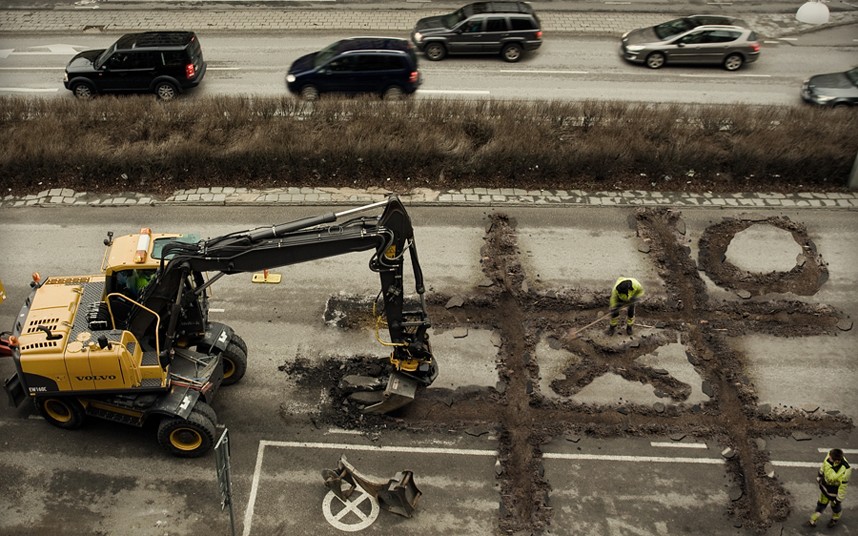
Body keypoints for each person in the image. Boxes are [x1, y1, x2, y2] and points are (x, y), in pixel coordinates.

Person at [810, 448, 851, 527]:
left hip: (834, 493)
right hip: (825, 488)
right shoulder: (830, 455)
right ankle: (813, 519)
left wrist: (838, 499)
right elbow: (824, 465)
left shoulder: (845, 470)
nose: (828, 458)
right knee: (821, 504)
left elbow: (843, 487)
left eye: (830, 458)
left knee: (835, 507)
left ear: (837, 461)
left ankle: (835, 519)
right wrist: (820, 475)